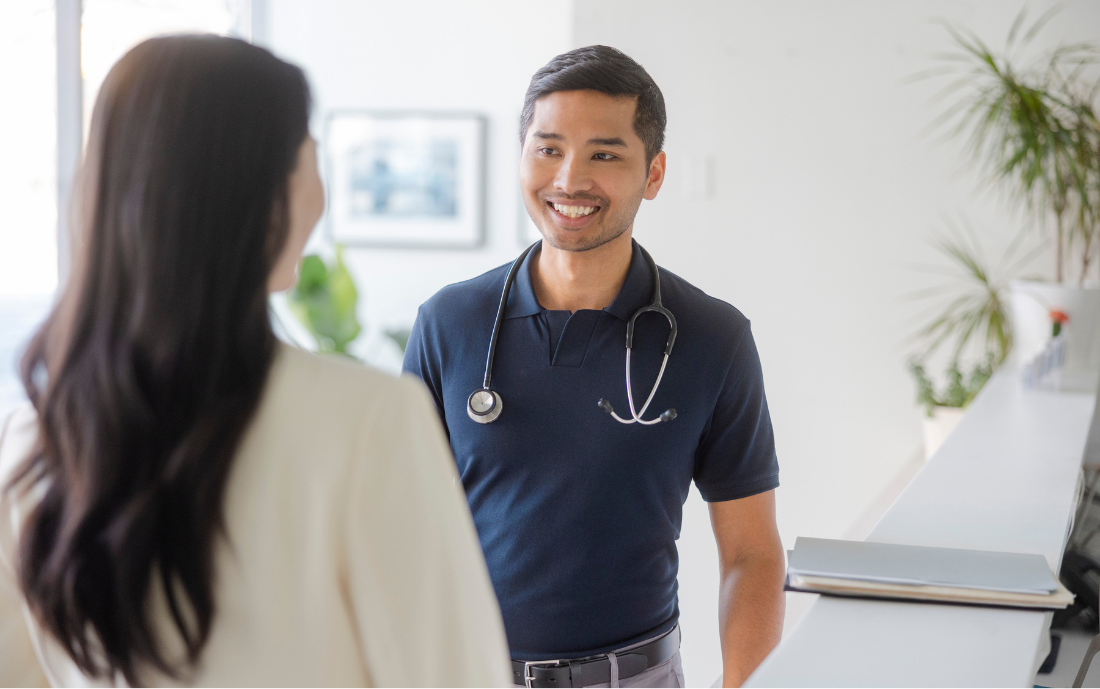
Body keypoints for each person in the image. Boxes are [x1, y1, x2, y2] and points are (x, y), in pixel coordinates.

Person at [0, 35, 511, 687]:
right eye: (309, 161)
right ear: (261, 194)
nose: (320, 195)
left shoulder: (29, 446)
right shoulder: (368, 423)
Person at [403, 45, 785, 688]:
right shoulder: (451, 323)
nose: (569, 180)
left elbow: (750, 554)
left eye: (604, 155)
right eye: (548, 149)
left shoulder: (712, 338)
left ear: (654, 173)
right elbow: (396, 525)